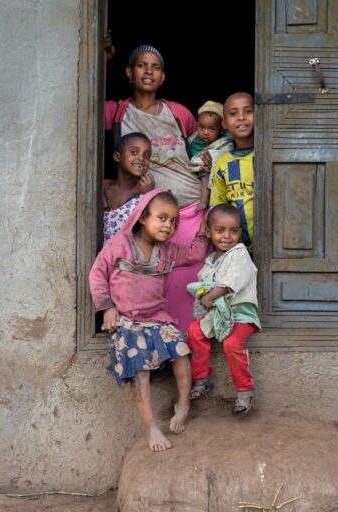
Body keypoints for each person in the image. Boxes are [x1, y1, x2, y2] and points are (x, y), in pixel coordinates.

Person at [89, 189, 210, 452]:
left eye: (174, 221)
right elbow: (97, 274)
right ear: (143, 218)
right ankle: (151, 427)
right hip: (129, 323)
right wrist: (107, 307)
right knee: (140, 374)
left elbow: (195, 253)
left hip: (158, 319)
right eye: (162, 218)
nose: (169, 225)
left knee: (182, 353)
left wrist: (203, 220)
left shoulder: (167, 252)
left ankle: (184, 403)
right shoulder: (119, 245)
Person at [104, 43, 206, 332]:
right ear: (128, 72)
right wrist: (103, 59)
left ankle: (190, 357)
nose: (149, 71)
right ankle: (163, 350)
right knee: (161, 287)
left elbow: (202, 144)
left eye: (156, 67)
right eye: (141, 65)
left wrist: (210, 162)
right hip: (151, 217)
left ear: (163, 77)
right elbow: (84, 103)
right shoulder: (117, 112)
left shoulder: (178, 113)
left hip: (192, 210)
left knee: (191, 288)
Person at [186, 204, 261, 416]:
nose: (227, 236)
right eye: (220, 230)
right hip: (217, 315)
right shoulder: (210, 261)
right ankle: (202, 378)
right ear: (208, 232)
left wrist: (210, 295)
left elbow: (232, 280)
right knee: (194, 331)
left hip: (241, 315)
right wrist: (202, 305)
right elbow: (202, 288)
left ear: (240, 232)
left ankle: (245, 391)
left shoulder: (240, 253)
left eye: (234, 231)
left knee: (231, 343)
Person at [209, 92, 255, 251]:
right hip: (237, 248)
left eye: (248, 111)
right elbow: (217, 206)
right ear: (224, 124)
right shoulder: (223, 163)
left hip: (274, 244)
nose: (241, 117)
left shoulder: (267, 156)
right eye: (233, 113)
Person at [103, 132, 155, 244]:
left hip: (129, 258)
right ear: (117, 156)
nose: (141, 158)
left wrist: (149, 196)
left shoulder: (145, 191)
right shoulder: (102, 188)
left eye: (147, 156)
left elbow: (151, 230)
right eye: (134, 152)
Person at [187, 101, 234, 212]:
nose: (205, 132)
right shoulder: (194, 138)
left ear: (221, 129)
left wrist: (213, 159)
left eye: (211, 129)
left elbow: (225, 154)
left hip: (204, 170)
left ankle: (204, 200)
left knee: (204, 176)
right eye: (201, 128)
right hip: (191, 168)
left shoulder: (223, 143)